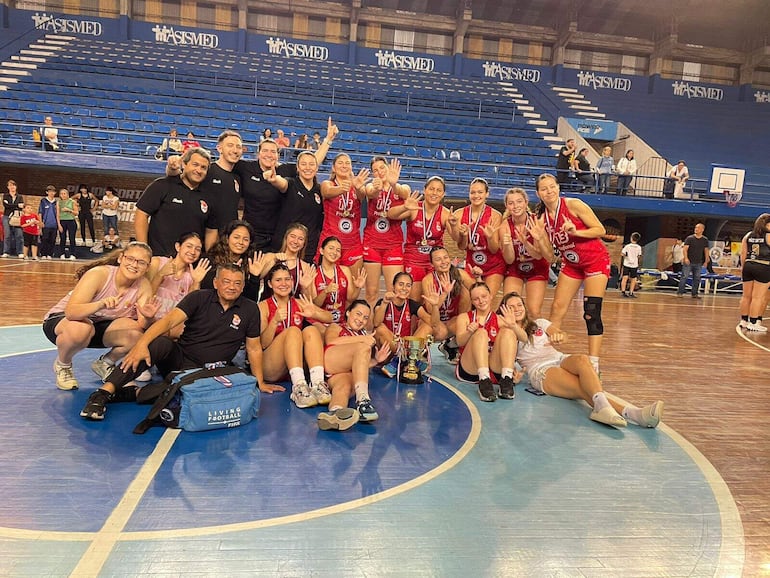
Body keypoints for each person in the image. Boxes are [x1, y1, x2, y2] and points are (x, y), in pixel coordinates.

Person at [79, 263, 283, 421]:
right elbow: (168, 321)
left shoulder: (249, 309)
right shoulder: (199, 298)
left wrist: (260, 382)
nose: (231, 287)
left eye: (237, 283)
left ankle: (133, 393)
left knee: (212, 390)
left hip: (210, 372)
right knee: (158, 344)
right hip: (179, 360)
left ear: (243, 286)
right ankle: (103, 394)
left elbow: (254, 348)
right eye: (226, 281)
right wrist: (141, 344)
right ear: (216, 283)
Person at [505, 291, 664, 428]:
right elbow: (506, 359)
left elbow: (561, 333)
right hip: (540, 370)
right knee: (581, 387)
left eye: (519, 305)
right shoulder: (507, 333)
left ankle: (602, 408)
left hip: (559, 358)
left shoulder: (538, 323)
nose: (516, 309)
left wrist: (559, 336)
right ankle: (634, 414)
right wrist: (515, 374)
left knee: (582, 359)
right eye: (511, 307)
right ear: (504, 311)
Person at [42, 242, 159, 392]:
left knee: (136, 333)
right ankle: (63, 365)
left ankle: (105, 363)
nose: (134, 265)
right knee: (81, 328)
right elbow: (72, 312)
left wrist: (149, 318)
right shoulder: (99, 274)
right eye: (130, 259)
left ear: (147, 267)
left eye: (141, 262)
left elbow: (143, 324)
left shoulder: (143, 286)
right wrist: (100, 304)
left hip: (96, 327)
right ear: (120, 258)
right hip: (65, 322)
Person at [535, 173, 610, 374]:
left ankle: (594, 363)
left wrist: (576, 232)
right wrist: (538, 240)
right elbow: (551, 257)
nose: (549, 191)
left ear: (558, 188)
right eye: (544, 189)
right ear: (538, 193)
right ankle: (547, 356)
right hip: (572, 264)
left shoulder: (573, 205)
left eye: (552, 187)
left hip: (595, 261)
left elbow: (600, 229)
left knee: (591, 311)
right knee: (557, 307)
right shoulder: (542, 220)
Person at [234, 117, 337, 251]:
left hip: (277, 234)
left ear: (278, 155)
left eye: (273, 151)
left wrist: (328, 140)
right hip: (251, 233)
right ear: (258, 153)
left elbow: (310, 163)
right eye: (265, 150)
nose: (269, 155)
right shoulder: (245, 167)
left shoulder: (285, 170)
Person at [258, 263, 333, 409]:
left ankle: (317, 384)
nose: (284, 283)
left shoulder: (299, 302)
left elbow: (329, 317)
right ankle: (298, 387)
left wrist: (315, 313)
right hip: (271, 366)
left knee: (311, 330)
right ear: (270, 284)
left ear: (293, 282)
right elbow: (262, 344)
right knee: (293, 331)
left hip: (294, 365)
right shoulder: (263, 306)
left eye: (287, 279)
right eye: (278, 280)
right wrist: (274, 322)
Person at [319, 300, 391, 430]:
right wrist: (362, 340)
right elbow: (331, 341)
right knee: (363, 347)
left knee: (344, 387)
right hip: (331, 361)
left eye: (365, 317)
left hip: (341, 375)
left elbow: (359, 365)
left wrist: (375, 361)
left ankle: (335, 414)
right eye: (358, 314)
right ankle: (363, 400)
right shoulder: (337, 327)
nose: (361, 319)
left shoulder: (364, 335)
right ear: (348, 313)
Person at [135, 147, 218, 258]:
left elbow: (211, 231)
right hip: (158, 259)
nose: (199, 170)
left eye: (203, 167)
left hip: (189, 264)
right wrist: (143, 250)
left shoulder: (210, 197)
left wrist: (209, 258)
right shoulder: (162, 185)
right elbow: (141, 214)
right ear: (184, 164)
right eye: (195, 164)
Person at [490, 187, 553, 319]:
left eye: (519, 202)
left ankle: (534, 338)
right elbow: (509, 260)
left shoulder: (537, 221)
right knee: (509, 308)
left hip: (537, 267)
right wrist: (507, 245)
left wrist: (525, 242)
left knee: (534, 311)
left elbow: (538, 255)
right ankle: (512, 338)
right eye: (511, 203)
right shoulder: (505, 226)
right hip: (515, 268)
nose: (515, 206)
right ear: (507, 206)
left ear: (526, 202)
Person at [390, 175, 456, 301]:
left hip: (434, 264)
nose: (434, 193)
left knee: (432, 301)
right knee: (414, 301)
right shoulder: (415, 207)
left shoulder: (445, 213)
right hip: (413, 262)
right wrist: (404, 207)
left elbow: (455, 237)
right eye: (431, 189)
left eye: (438, 190)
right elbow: (391, 215)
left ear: (443, 194)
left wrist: (454, 226)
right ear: (424, 190)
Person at [455, 283, 519, 402]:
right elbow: (459, 342)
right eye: (476, 299)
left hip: (493, 367)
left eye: (484, 296)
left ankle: (507, 378)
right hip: (471, 368)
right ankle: (484, 380)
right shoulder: (464, 317)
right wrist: (469, 332)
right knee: (481, 333)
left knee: (509, 332)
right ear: (472, 302)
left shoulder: (500, 319)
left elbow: (524, 339)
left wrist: (514, 326)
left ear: (490, 296)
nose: (481, 301)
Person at [362, 157, 410, 308]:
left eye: (382, 168)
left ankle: (393, 327)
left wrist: (394, 184)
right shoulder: (372, 186)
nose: (379, 172)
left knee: (394, 292)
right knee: (371, 292)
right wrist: (377, 188)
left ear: (389, 168)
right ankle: (368, 328)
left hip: (393, 246)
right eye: (375, 170)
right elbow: (369, 192)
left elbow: (404, 193)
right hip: (372, 244)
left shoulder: (402, 187)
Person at [450, 177, 505, 303]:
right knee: (470, 301)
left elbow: (494, 248)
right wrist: (463, 235)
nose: (476, 195)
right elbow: (461, 247)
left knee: (486, 300)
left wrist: (490, 237)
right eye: (473, 192)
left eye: (480, 192)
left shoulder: (495, 215)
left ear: (487, 194)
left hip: (493, 265)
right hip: (472, 264)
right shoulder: (459, 214)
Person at [373, 271, 437, 378]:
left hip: (405, 348)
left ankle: (407, 359)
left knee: (427, 326)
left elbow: (433, 323)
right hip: (388, 350)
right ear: (393, 286)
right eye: (401, 284)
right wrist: (384, 303)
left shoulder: (412, 304)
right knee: (380, 328)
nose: (404, 288)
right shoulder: (384, 301)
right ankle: (403, 359)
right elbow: (375, 323)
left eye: (408, 285)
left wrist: (435, 306)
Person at [147, 232, 211, 338]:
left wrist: (196, 282)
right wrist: (160, 275)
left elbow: (189, 309)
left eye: (198, 249)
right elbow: (144, 296)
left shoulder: (192, 275)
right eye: (189, 246)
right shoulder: (157, 262)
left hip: (170, 327)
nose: (193, 252)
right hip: (148, 320)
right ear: (178, 246)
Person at [267, 150, 325, 259]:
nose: (307, 168)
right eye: (303, 164)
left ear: (317, 168)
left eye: (311, 164)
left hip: (308, 249)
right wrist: (274, 180)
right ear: (297, 168)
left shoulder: (319, 190)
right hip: (286, 247)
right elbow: (281, 183)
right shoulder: (291, 184)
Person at [318, 153, 370, 275]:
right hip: (331, 242)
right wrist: (346, 186)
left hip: (353, 245)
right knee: (328, 283)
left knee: (353, 285)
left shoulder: (357, 186)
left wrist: (356, 186)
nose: (344, 165)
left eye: (347, 163)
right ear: (333, 168)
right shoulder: (328, 183)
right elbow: (327, 192)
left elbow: (362, 195)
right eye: (340, 163)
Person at [422, 246, 472, 364]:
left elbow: (478, 291)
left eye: (446, 257)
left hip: (451, 320)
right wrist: (444, 293)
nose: (444, 262)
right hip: (434, 320)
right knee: (441, 331)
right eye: (438, 259)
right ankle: (421, 349)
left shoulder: (459, 274)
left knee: (467, 323)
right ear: (432, 264)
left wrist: (478, 278)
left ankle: (451, 344)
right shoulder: (428, 280)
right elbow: (430, 309)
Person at [312, 236, 366, 331]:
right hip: (319, 321)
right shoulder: (314, 273)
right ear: (321, 250)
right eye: (331, 248)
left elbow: (350, 298)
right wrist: (325, 291)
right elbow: (315, 305)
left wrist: (358, 287)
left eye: (338, 250)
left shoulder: (345, 270)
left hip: (340, 321)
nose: (334, 252)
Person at [202, 220, 261, 301]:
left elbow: (250, 301)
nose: (241, 242)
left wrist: (254, 277)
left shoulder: (249, 263)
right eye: (236, 237)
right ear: (227, 238)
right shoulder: (210, 260)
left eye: (245, 239)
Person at [738, 213, 770, 332]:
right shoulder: (768, 236)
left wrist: (743, 268)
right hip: (763, 266)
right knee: (758, 298)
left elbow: (743, 254)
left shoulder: (748, 235)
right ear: (767, 224)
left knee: (746, 296)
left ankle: (744, 321)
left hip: (748, 265)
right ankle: (753, 322)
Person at [677, 223, 710, 299]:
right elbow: (685, 249)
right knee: (684, 276)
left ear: (702, 229)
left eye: (698, 228)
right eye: (695, 227)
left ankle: (694, 293)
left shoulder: (705, 240)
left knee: (697, 278)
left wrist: (706, 261)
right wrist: (686, 258)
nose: (696, 229)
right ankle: (680, 292)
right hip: (689, 262)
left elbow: (706, 250)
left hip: (698, 262)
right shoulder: (690, 238)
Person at [2, 179, 25, 258]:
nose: (12, 187)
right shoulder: (5, 196)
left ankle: (20, 252)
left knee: (19, 235)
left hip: (17, 217)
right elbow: (6, 206)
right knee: (7, 235)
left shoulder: (20, 197)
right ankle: (6, 251)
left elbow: (21, 207)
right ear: (8, 187)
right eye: (10, 185)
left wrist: (13, 205)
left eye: (13, 185)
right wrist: (16, 205)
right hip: (6, 217)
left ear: (16, 187)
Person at [38, 184, 59, 260]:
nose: (51, 193)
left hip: (54, 225)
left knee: (52, 240)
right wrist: (40, 222)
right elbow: (40, 212)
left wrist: (58, 224)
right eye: (50, 191)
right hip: (45, 224)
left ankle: (50, 254)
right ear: (47, 192)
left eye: (53, 192)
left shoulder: (56, 202)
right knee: (44, 239)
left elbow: (57, 214)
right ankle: (43, 253)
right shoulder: (43, 201)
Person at [57, 188, 78, 260]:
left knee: (72, 238)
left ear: (67, 194)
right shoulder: (58, 202)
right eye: (61, 194)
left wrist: (69, 210)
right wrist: (59, 224)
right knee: (62, 238)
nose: (63, 195)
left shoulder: (72, 202)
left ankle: (73, 254)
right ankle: (62, 253)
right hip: (62, 221)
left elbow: (76, 213)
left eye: (64, 193)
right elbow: (57, 214)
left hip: (71, 220)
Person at [620, 232, 642, 297]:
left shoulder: (627, 246)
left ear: (631, 238)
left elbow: (622, 254)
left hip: (627, 264)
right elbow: (639, 256)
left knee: (625, 277)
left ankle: (623, 291)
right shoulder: (639, 247)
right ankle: (631, 292)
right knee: (633, 278)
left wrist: (627, 256)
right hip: (634, 265)